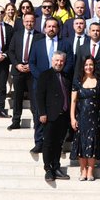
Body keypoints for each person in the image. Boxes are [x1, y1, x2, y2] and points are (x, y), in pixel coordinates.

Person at [34, 51, 72, 181]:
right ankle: (48, 169)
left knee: (58, 143)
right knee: (48, 143)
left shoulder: (66, 76)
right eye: (57, 60)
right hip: (50, 116)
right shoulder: (45, 75)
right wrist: (42, 113)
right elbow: (39, 96)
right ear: (52, 61)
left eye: (61, 61)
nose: (59, 63)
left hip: (63, 116)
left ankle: (56, 166)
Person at [6, 12, 41, 131]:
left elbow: (41, 55)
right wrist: (17, 65)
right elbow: (11, 51)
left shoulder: (39, 36)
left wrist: (32, 66)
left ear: (34, 22)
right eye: (27, 21)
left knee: (34, 98)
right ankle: (16, 121)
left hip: (32, 72)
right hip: (18, 71)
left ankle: (37, 122)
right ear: (23, 22)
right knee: (17, 97)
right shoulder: (17, 35)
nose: (29, 23)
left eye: (31, 21)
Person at [71, 55, 100, 181]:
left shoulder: (99, 81)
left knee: (92, 143)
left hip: (95, 117)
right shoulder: (78, 81)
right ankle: (83, 170)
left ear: (94, 66)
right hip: (81, 117)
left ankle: (90, 171)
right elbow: (73, 101)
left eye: (91, 64)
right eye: (86, 65)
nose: (88, 67)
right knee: (81, 143)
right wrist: (73, 118)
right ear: (82, 67)